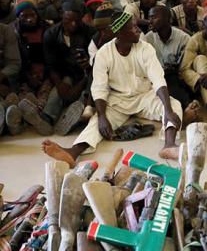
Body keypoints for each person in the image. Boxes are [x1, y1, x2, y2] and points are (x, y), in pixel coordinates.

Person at [42, 11, 184, 167]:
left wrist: (168, 110)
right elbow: (99, 87)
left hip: (145, 96)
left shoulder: (146, 49)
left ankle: (169, 145)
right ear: (120, 33)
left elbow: (158, 79)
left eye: (137, 27)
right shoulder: (103, 53)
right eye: (133, 28)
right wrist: (102, 115)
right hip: (118, 100)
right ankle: (73, 152)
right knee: (97, 122)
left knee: (174, 105)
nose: (138, 30)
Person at [18, 0, 96, 136]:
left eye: (77, 21)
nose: (73, 25)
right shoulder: (51, 34)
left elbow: (98, 65)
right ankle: (47, 118)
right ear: (61, 15)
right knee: (58, 91)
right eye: (68, 21)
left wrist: (84, 76)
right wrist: (59, 85)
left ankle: (76, 116)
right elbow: (51, 65)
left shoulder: (90, 32)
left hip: (87, 74)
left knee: (84, 94)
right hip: (65, 73)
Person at [146, 5, 199, 117]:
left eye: (153, 17)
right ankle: (188, 106)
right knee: (162, 83)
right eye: (149, 18)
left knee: (172, 81)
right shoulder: (147, 39)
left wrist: (173, 69)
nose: (149, 21)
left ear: (168, 19)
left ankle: (186, 108)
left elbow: (186, 66)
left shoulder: (183, 38)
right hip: (157, 80)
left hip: (179, 78)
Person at [8, 0, 51, 135]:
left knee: (45, 93)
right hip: (24, 74)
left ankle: (33, 113)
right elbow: (15, 60)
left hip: (45, 73)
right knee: (23, 93)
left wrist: (44, 75)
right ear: (18, 17)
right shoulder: (12, 31)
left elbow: (52, 58)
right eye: (24, 16)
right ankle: (24, 117)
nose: (30, 19)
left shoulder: (47, 29)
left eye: (32, 15)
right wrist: (28, 77)